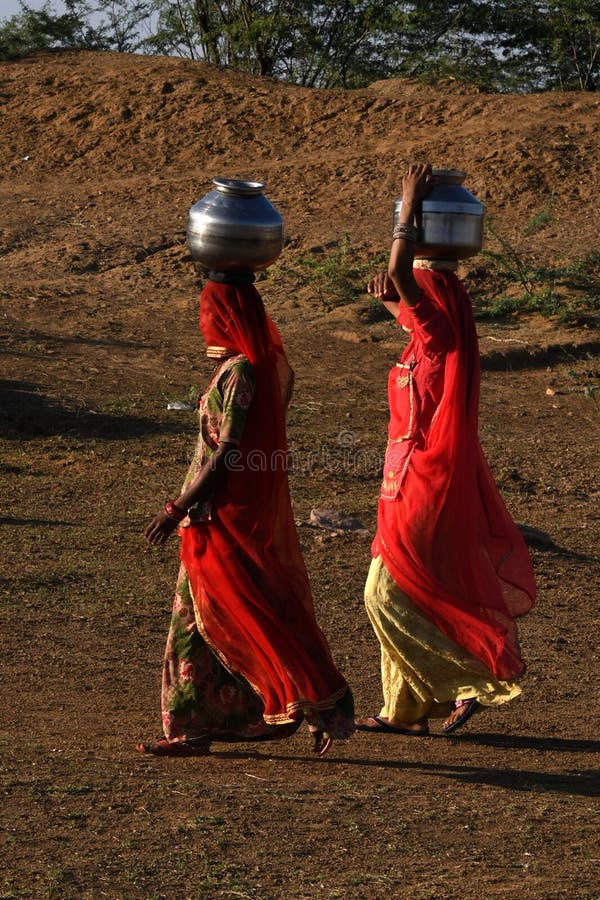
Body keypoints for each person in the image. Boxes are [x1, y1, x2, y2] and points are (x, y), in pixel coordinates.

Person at [138, 272, 354, 757]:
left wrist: (177, 508)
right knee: (199, 621)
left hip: (217, 519)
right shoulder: (233, 369)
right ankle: (194, 727)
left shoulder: (240, 374)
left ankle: (322, 704)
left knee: (249, 617)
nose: (202, 321)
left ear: (225, 317)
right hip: (208, 516)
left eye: (208, 312)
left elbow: (226, 452)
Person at [355, 163, 536, 737]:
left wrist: (407, 204)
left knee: (383, 592)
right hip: (405, 473)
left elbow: (404, 280)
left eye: (411, 301)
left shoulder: (437, 331)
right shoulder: (433, 332)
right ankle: (402, 710)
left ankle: (470, 680)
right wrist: (392, 294)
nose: (406, 309)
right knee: (410, 585)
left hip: (423, 479)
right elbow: (415, 312)